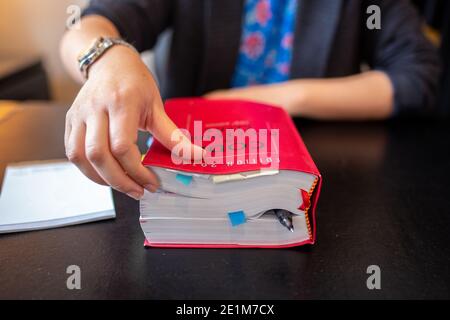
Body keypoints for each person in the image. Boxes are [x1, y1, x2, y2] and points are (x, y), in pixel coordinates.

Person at [60, 0, 440, 200]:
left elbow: (418, 75)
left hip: (320, 178)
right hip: (186, 174)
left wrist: (281, 97)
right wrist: (108, 58)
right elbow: (91, 24)